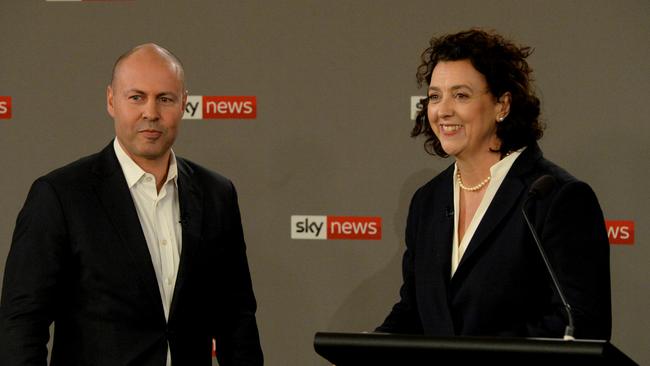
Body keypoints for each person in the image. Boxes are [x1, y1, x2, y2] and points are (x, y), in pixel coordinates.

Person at [0, 43, 263, 365]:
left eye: (165, 98)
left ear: (183, 103)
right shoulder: (60, 195)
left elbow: (236, 318)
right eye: (136, 97)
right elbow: (23, 321)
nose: (151, 112)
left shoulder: (217, 193)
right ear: (112, 100)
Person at [376, 29, 611, 339]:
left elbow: (581, 324)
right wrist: (363, 349)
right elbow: (414, 311)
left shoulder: (555, 198)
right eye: (435, 96)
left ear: (502, 105)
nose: (442, 110)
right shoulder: (427, 201)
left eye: (460, 95)